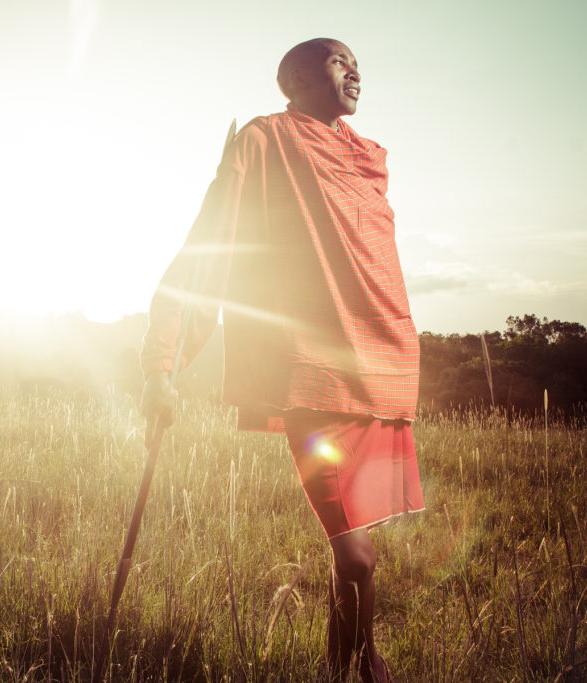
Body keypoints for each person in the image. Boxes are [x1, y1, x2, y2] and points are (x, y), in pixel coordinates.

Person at [140, 38, 425, 681]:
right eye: (336, 59)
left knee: (352, 549)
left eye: (358, 63)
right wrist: (163, 365)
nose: (354, 70)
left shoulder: (367, 160)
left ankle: (339, 669)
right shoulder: (265, 141)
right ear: (294, 78)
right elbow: (209, 248)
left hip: (379, 370)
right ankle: (363, 665)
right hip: (309, 373)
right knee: (357, 555)